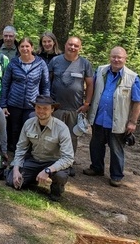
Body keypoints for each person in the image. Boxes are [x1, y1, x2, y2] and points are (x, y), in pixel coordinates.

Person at [84, 46, 140, 187]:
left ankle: (116, 176)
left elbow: (137, 101)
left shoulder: (132, 77)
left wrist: (133, 122)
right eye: (114, 57)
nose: (116, 60)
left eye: (120, 57)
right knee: (96, 145)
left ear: (125, 58)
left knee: (117, 149)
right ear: (109, 57)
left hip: (118, 121)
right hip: (98, 118)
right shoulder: (101, 70)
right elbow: (91, 87)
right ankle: (96, 168)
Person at [6, 95, 73, 201]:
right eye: (38, 107)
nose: (41, 111)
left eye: (45, 108)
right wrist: (16, 168)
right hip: (34, 160)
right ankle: (33, 178)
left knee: (60, 176)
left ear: (52, 109)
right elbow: (20, 148)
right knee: (12, 181)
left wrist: (48, 170)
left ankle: (56, 190)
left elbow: (68, 158)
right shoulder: (28, 124)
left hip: (53, 163)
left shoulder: (62, 128)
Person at [49, 36, 93, 175]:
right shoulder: (55, 61)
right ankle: (52, 162)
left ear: (79, 47)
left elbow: (90, 84)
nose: (72, 47)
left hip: (75, 108)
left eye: (76, 46)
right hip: (56, 107)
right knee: (53, 135)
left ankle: (68, 163)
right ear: (65, 44)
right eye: (70, 44)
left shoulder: (85, 64)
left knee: (72, 137)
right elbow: (47, 81)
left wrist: (87, 103)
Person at [0, 37, 50, 152]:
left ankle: (28, 153)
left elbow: (45, 86)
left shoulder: (41, 64)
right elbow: (5, 84)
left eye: (27, 46)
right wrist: (4, 105)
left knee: (30, 129)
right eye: (22, 46)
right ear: (18, 48)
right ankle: (14, 154)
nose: (25, 48)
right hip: (14, 103)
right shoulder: (13, 63)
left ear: (32, 48)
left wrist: (45, 105)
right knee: (14, 130)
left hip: (32, 105)